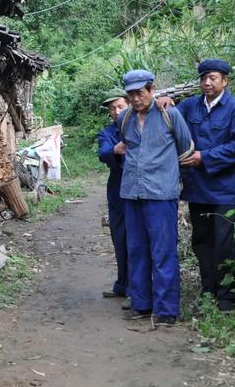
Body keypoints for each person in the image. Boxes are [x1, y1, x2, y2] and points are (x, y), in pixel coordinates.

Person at [118, 69, 193, 326]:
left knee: (163, 252)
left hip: (161, 195)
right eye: (131, 94)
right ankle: (141, 304)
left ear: (152, 89)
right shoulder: (125, 118)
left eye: (140, 92)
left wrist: (171, 179)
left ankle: (166, 310)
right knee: (137, 249)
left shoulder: (169, 114)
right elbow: (125, 147)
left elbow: (186, 151)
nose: (136, 98)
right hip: (132, 193)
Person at [176, 59, 235, 312]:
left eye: (213, 78)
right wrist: (164, 102)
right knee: (201, 241)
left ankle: (228, 298)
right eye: (203, 78)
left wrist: (204, 157)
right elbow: (173, 116)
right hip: (197, 187)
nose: (207, 83)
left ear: (225, 81)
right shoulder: (191, 106)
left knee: (223, 242)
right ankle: (208, 292)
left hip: (224, 189)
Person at [97, 89, 130, 308]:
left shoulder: (142, 125)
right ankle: (122, 284)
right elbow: (103, 152)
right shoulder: (108, 132)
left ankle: (136, 287)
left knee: (137, 241)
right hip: (118, 192)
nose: (116, 112)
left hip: (142, 192)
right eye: (112, 109)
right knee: (120, 239)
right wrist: (116, 150)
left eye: (120, 106)